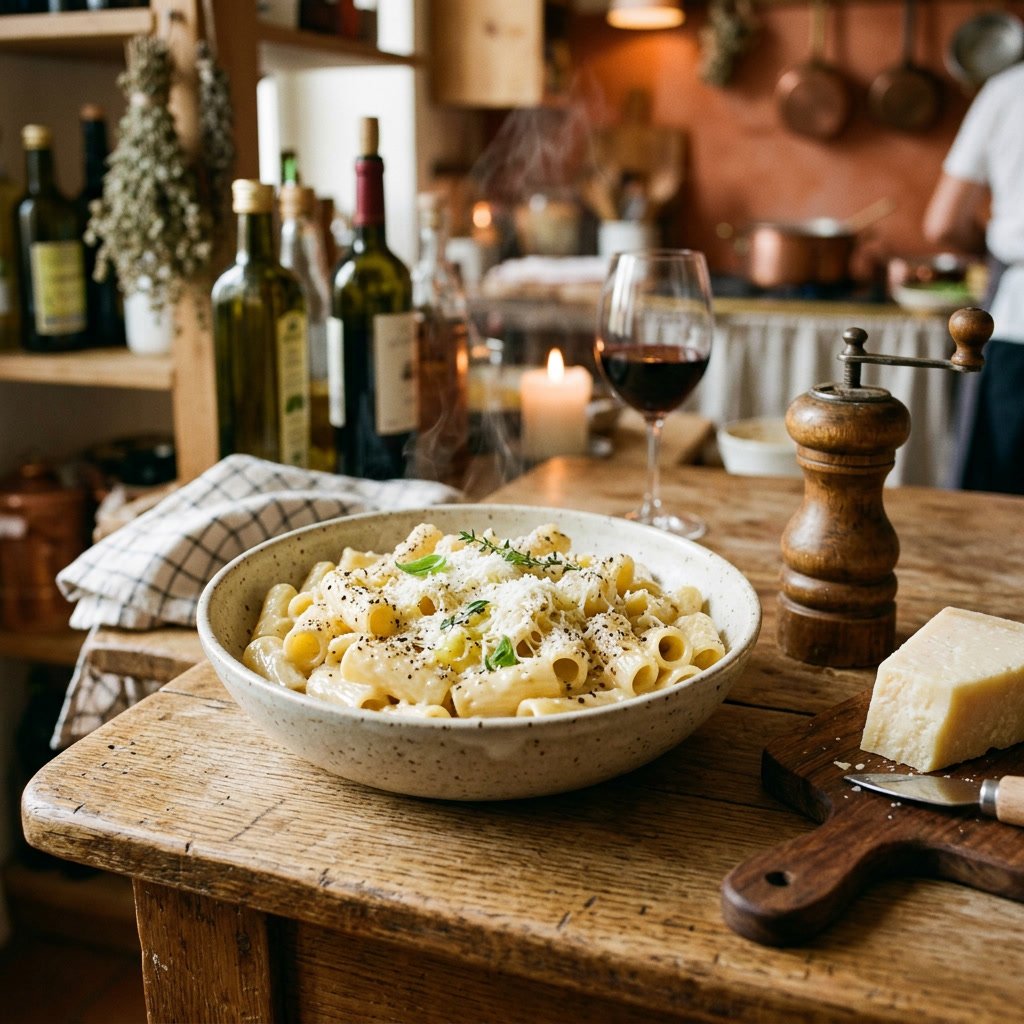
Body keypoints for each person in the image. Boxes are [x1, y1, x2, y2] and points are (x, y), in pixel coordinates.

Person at [923, 61, 1024, 495]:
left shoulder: (1008, 89)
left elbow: (943, 223)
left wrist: (993, 245)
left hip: (1019, 326)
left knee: (998, 511)